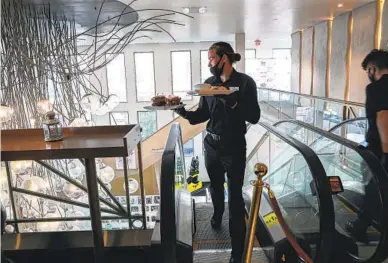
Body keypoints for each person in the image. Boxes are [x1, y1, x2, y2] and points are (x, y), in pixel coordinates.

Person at [174, 42, 261, 263]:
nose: (209, 62)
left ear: (225, 58)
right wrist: (182, 112)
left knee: (235, 199)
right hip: (211, 144)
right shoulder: (208, 84)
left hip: (234, 147)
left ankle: (237, 253)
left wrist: (234, 103)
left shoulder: (245, 83)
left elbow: (254, 116)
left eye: (212, 58)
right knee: (214, 185)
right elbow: (203, 114)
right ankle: (216, 214)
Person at [345, 49, 388, 242]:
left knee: (374, 188)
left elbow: (383, 117)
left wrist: (386, 154)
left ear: (372, 69)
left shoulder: (377, 88)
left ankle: (361, 225)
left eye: (368, 71)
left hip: (379, 149)